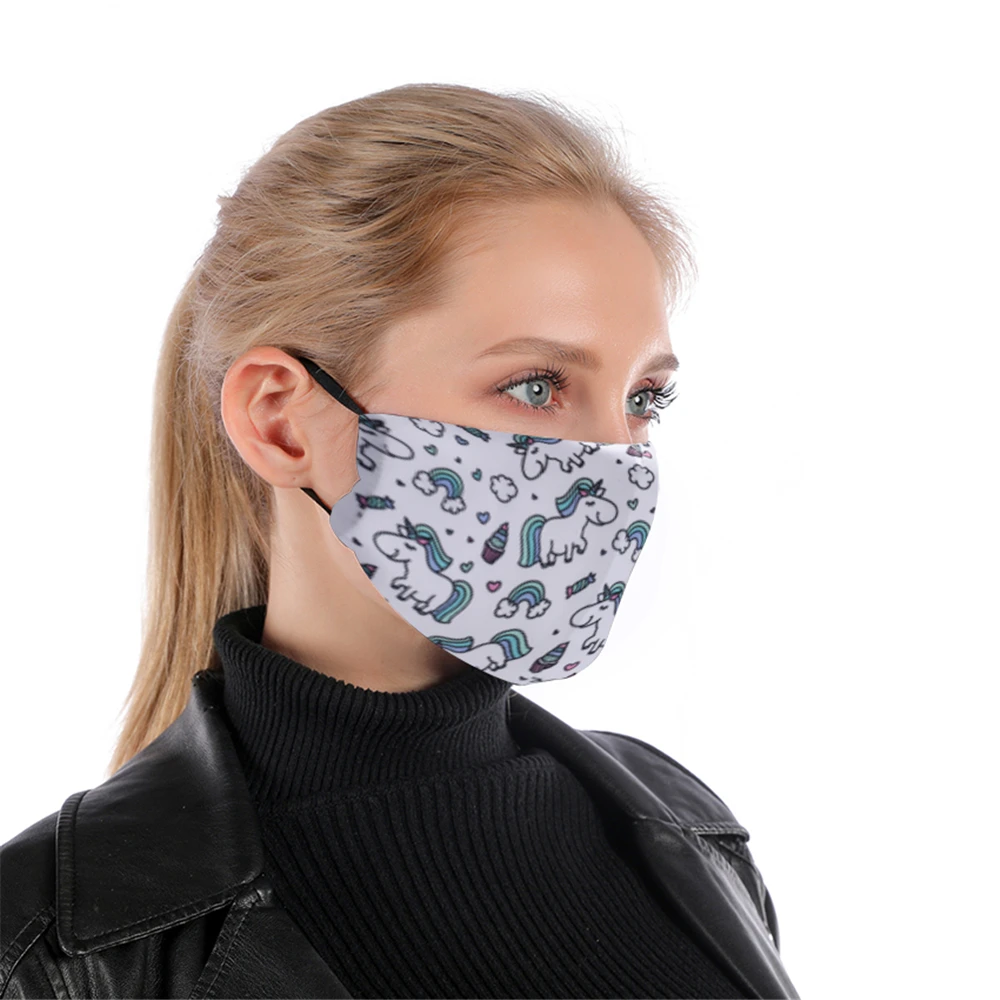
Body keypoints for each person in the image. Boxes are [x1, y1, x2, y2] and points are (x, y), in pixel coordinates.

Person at [0, 83, 799, 999]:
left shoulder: (690, 833)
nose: (616, 463)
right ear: (281, 422)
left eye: (643, 399)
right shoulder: (50, 949)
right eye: (536, 386)